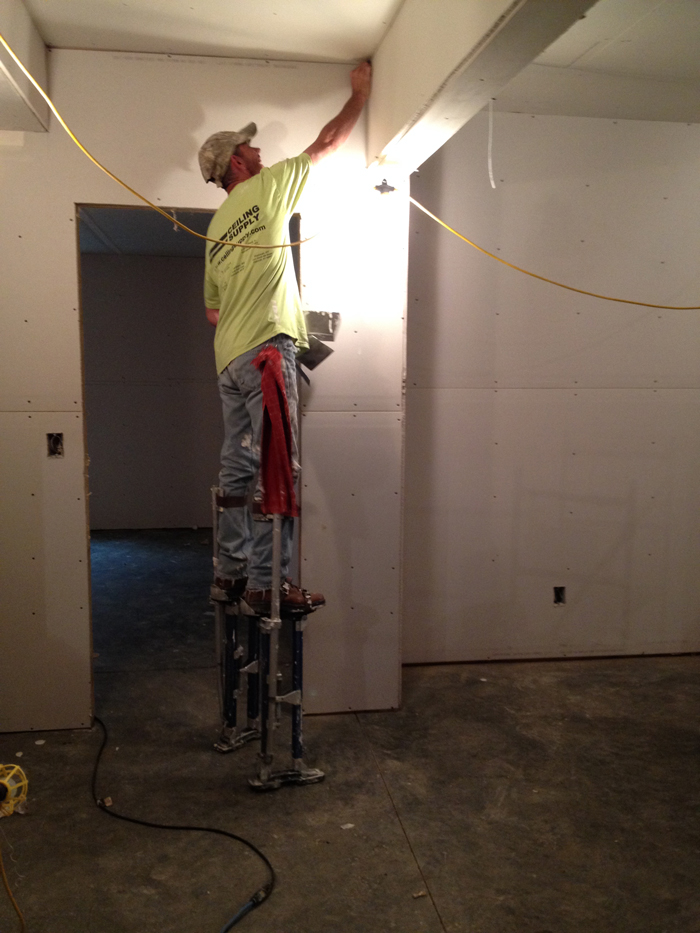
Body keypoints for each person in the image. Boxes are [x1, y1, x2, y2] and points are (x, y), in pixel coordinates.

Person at [198, 62, 372, 614]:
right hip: (267, 354)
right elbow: (327, 143)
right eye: (249, 146)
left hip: (229, 362)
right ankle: (269, 584)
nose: (258, 150)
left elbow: (212, 313)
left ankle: (229, 574)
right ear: (237, 162)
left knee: (237, 468)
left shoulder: (214, 229)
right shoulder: (267, 188)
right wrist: (359, 95)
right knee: (278, 465)